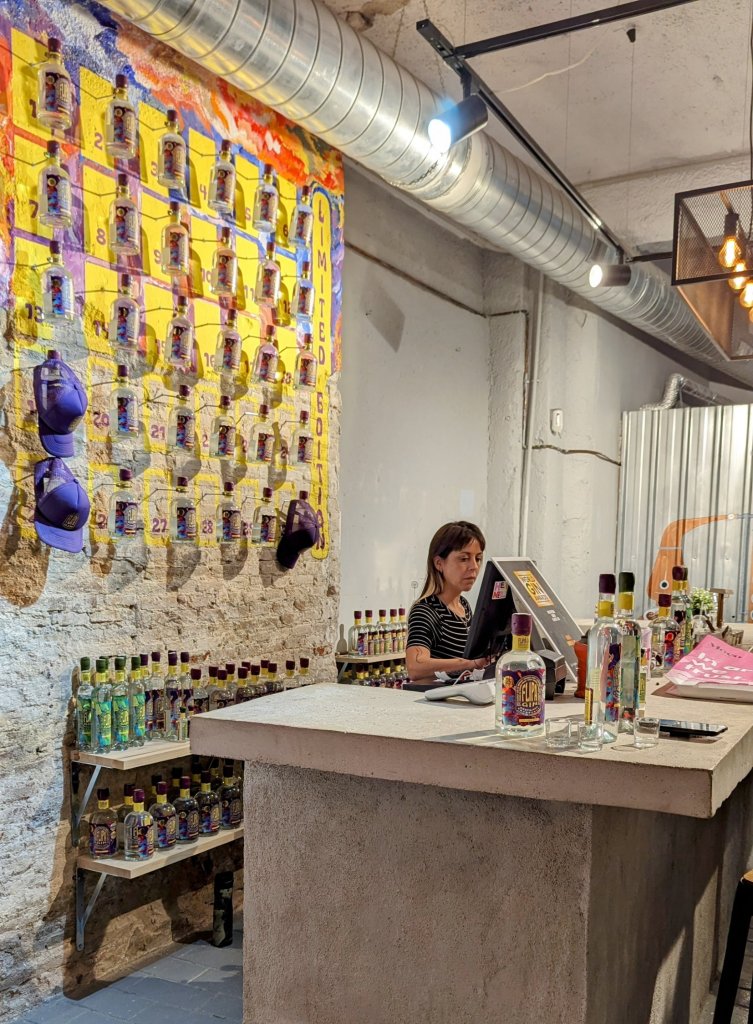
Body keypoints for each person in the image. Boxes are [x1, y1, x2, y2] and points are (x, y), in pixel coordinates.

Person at [406, 521, 489, 683]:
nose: (474, 566)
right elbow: (415, 667)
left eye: (478, 558)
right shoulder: (426, 611)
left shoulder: (464, 606)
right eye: (464, 559)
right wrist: (469, 664)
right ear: (439, 563)